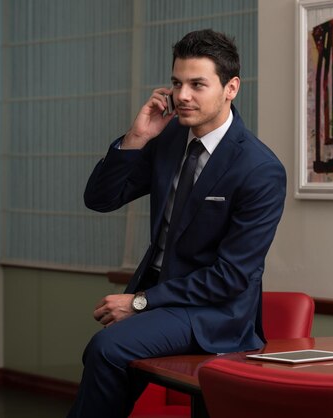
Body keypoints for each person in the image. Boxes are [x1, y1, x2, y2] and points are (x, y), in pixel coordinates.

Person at [68, 29, 286, 418]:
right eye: (177, 83)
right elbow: (100, 200)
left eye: (197, 84)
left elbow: (231, 278)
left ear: (230, 88)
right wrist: (136, 137)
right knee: (100, 353)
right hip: (160, 294)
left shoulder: (259, 170)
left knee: (107, 350)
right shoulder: (168, 140)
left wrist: (139, 302)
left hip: (214, 313)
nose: (182, 96)